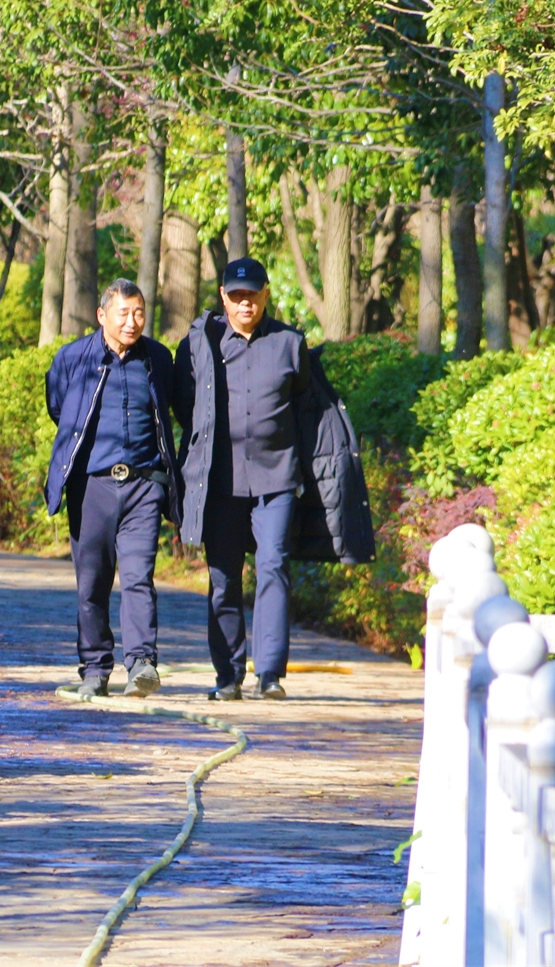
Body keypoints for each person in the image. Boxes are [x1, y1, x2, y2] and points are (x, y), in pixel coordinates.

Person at [173, 257, 373, 701]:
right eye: (237, 296)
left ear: (266, 295)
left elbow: (304, 403)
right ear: (224, 297)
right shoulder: (200, 344)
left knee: (273, 567)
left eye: (253, 295)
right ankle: (228, 676)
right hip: (219, 482)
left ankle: (269, 673)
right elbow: (185, 405)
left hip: (277, 478)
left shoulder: (289, 343)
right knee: (224, 577)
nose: (245, 303)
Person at [44, 280, 183, 698]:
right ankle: (95, 668)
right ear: (102, 315)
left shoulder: (158, 358)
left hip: (143, 486)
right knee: (92, 583)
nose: (132, 322)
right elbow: (59, 408)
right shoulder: (73, 358)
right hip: (92, 487)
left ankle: (142, 664)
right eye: (123, 313)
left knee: (139, 576)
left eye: (139, 313)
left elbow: (169, 407)